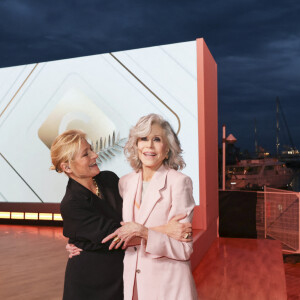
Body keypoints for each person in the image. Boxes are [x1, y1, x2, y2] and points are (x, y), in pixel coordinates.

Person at [51, 129, 192, 300]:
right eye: (86, 154)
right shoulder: (72, 204)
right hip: (90, 282)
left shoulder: (109, 180)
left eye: (91, 149)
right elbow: (118, 237)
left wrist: (77, 240)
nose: (95, 155)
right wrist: (167, 230)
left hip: (119, 276)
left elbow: (134, 216)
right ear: (67, 167)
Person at [103, 114, 198, 300]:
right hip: (133, 285)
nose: (149, 146)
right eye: (143, 139)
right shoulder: (125, 183)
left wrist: (145, 233)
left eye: (157, 139)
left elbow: (184, 249)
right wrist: (78, 242)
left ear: (168, 148)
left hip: (168, 286)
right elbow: (119, 232)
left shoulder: (179, 182)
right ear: (136, 144)